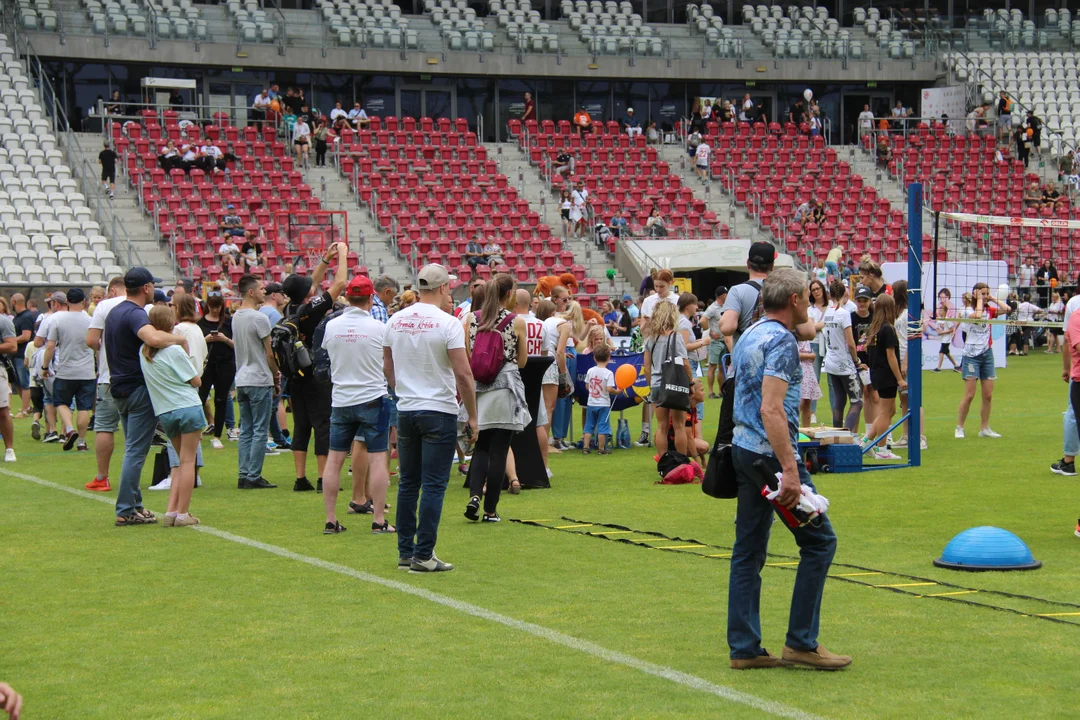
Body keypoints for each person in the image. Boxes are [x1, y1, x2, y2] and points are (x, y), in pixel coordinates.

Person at [727, 268, 846, 671]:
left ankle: (744, 647)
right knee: (819, 543)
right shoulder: (781, 342)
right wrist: (791, 472)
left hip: (744, 450)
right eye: (805, 299)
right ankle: (801, 641)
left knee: (748, 552)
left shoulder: (751, 332)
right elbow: (771, 408)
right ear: (795, 300)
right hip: (771, 460)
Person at [385, 264, 477, 572]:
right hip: (438, 408)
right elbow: (463, 373)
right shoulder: (448, 323)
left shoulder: (395, 319)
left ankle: (405, 551)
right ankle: (423, 554)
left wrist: (401, 390)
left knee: (409, 482)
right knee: (434, 485)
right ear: (442, 288)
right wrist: (473, 416)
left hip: (408, 407)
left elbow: (388, 363)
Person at [104, 267, 188, 527]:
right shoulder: (135, 313)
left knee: (132, 449)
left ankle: (135, 505)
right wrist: (178, 339)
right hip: (138, 389)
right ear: (146, 288)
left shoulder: (115, 311)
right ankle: (126, 509)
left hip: (118, 386)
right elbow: (150, 337)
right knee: (136, 452)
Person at [320, 275, 395, 535]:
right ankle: (378, 519)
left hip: (341, 398)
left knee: (334, 460)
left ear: (348, 298)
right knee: (377, 460)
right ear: (371, 297)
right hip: (373, 397)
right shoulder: (378, 327)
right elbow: (388, 363)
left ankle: (331, 519)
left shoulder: (332, 326)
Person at [282, 242, 349, 492]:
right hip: (315, 375)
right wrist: (342, 255)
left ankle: (301, 479)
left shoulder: (290, 308)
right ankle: (323, 478)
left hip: (295, 375)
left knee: (301, 425)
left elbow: (309, 284)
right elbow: (340, 283)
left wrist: (324, 260)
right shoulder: (311, 310)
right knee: (322, 424)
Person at [463, 274, 529, 523]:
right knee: (499, 451)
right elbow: (521, 361)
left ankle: (474, 495)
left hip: (479, 390)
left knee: (481, 447)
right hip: (505, 389)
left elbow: (469, 356)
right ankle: (490, 509)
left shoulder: (472, 319)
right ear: (509, 294)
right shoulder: (516, 322)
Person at [139, 304, 205, 526]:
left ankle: (172, 512)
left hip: (166, 411)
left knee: (178, 462)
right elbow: (196, 381)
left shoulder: (144, 352)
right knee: (188, 461)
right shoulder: (174, 350)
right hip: (187, 407)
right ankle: (183, 514)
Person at [233, 274, 280, 490]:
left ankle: (244, 474)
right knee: (260, 429)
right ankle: (253, 475)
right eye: (261, 289)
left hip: (242, 378)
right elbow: (269, 353)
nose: (265, 291)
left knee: (247, 429)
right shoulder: (259, 318)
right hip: (259, 378)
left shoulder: (236, 316)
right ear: (251, 292)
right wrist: (276, 374)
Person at [42, 288, 95, 452]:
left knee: (61, 402)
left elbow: (50, 346)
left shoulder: (57, 319)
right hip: (86, 371)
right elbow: (96, 344)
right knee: (84, 407)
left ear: (67, 302)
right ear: (84, 302)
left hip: (65, 370)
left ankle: (70, 428)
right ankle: (81, 441)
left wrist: (45, 366)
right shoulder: (90, 320)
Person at [956, 283, 1010, 439]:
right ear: (975, 294)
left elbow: (1007, 310)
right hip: (971, 355)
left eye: (987, 293)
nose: (986, 296)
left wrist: (993, 298)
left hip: (987, 354)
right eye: (983, 294)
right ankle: (959, 427)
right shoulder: (966, 310)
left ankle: (984, 428)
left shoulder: (989, 310)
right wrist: (979, 299)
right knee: (969, 395)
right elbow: (977, 315)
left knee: (988, 395)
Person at [643, 301, 691, 459]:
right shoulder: (676, 337)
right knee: (679, 426)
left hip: (657, 384)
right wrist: (691, 383)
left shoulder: (651, 339)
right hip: (675, 384)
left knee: (661, 427)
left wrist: (651, 386)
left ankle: (663, 463)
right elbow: (685, 363)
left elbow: (647, 367)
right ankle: (681, 462)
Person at [863, 294, 905, 460]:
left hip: (877, 373)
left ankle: (867, 441)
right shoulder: (887, 329)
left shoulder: (875, 328)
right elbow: (891, 356)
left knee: (889, 410)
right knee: (885, 412)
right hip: (886, 374)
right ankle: (882, 449)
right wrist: (899, 378)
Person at [822, 278, 863, 432]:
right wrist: (857, 360)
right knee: (857, 402)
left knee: (839, 400)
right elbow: (851, 343)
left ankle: (836, 436)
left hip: (830, 361)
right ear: (844, 293)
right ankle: (845, 436)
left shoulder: (827, 312)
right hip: (844, 362)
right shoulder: (844, 313)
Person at [197, 289, 235, 449]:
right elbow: (194, 346)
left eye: (217, 306)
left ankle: (218, 434)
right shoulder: (200, 323)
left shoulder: (229, 322)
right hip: (206, 366)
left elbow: (237, 346)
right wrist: (205, 340)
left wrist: (224, 339)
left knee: (221, 399)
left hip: (225, 365)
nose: (215, 310)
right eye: (212, 306)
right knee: (200, 398)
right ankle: (197, 430)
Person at [581, 343, 618, 455]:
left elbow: (587, 386)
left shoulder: (590, 371)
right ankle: (601, 449)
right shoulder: (609, 373)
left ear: (594, 357)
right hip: (603, 404)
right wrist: (617, 391)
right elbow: (609, 389)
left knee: (589, 426)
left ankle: (586, 447)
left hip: (591, 403)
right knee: (603, 427)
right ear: (608, 358)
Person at [10, 293, 37, 418]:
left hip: (22, 354)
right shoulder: (18, 317)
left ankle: (24, 411)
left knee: (25, 383)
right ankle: (28, 406)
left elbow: (26, 336)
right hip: (15, 354)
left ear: (14, 302)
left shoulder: (26, 317)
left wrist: (10, 341)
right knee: (17, 383)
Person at [703, 285, 728, 398]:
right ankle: (710, 392)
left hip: (725, 340)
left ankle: (721, 391)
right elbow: (703, 320)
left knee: (722, 367)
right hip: (716, 341)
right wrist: (710, 332)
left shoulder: (726, 306)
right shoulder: (713, 308)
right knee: (712, 366)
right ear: (723, 295)